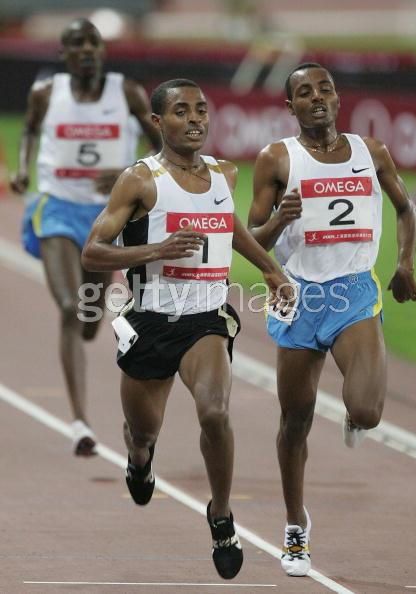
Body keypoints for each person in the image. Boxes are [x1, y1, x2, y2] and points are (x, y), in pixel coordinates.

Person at [81, 78, 294, 579]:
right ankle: (139, 458)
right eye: (182, 111)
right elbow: (93, 251)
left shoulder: (225, 172)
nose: (196, 118)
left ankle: (221, 514)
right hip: (152, 320)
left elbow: (231, 229)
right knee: (142, 430)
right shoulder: (139, 180)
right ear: (157, 122)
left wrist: (270, 268)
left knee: (216, 412)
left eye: (201, 109)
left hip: (207, 318)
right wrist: (155, 250)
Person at [248, 62, 416, 577]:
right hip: (299, 297)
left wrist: (404, 263)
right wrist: (279, 218)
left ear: (337, 98)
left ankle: (353, 414)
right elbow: (250, 239)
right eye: (304, 92)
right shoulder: (277, 159)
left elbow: (405, 206)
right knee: (295, 421)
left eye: (324, 88)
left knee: (367, 411)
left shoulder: (371, 152)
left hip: (353, 293)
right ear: (290, 106)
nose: (317, 97)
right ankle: (295, 525)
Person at [10, 18, 161, 456]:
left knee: (89, 321)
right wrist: (23, 167)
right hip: (57, 207)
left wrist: (131, 174)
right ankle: (79, 420)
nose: (86, 50)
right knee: (68, 308)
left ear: (102, 50)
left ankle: (85, 331)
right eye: (76, 44)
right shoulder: (45, 93)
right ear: (64, 54)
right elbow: (31, 129)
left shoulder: (127, 93)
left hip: (108, 219)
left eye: (93, 42)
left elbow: (163, 147)